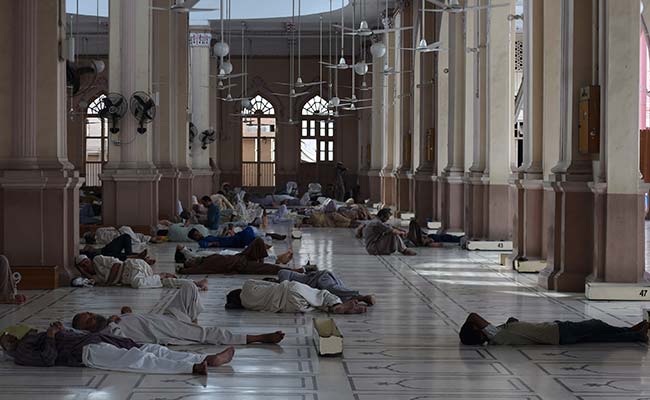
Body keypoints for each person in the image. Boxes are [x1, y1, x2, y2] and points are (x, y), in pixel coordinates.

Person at [72, 282, 286, 346]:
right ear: (88, 329)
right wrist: (115, 320)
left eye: (88, 312)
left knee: (188, 288)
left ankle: (193, 322)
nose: (92, 315)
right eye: (88, 319)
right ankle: (259, 338)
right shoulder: (110, 333)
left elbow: (129, 315)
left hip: (168, 317)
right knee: (210, 334)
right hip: (167, 330)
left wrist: (124, 313)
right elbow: (126, 337)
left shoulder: (112, 321)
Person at [0, 322, 234, 375]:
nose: (10, 337)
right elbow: (48, 359)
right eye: (6, 338)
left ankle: (207, 357)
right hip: (85, 353)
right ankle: (192, 367)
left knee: (152, 348)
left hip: (95, 340)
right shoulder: (22, 353)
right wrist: (51, 336)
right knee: (137, 358)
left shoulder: (33, 337)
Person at [459, 312, 649, 345]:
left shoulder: (498, 337)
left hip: (555, 334)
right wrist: (469, 327)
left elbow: (514, 323)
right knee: (596, 326)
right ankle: (633, 334)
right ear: (478, 331)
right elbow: (473, 315)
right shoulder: (495, 335)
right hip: (557, 332)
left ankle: (631, 332)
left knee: (597, 334)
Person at [225, 279, 368, 314]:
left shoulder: (247, 306)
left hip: (291, 307)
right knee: (321, 294)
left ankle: (336, 308)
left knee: (317, 305)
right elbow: (270, 282)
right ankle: (338, 305)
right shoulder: (248, 285)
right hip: (290, 290)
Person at [74, 253, 206, 290]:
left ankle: (161, 274)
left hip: (132, 267)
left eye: (85, 262)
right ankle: (196, 283)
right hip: (131, 276)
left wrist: (109, 283)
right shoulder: (95, 277)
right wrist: (84, 272)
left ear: (89, 260)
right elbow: (93, 281)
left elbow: (115, 266)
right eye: (82, 266)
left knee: (138, 283)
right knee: (165, 284)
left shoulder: (98, 259)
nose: (86, 265)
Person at [175, 238, 300, 276]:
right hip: (241, 265)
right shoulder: (204, 265)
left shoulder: (206, 257)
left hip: (242, 256)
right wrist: (183, 270)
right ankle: (291, 271)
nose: (192, 260)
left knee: (258, 241)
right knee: (267, 269)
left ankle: (270, 259)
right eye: (190, 261)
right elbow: (194, 271)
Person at [269, 270, 375, 305]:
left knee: (331, 288)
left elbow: (285, 287)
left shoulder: (282, 273)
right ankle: (358, 300)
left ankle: (361, 296)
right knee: (334, 296)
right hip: (317, 286)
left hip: (320, 278)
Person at [80, 233, 147, 262]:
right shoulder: (81, 258)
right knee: (114, 256)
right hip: (102, 256)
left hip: (104, 250)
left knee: (126, 236)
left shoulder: (80, 251)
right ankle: (137, 257)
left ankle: (135, 256)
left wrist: (87, 248)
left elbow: (87, 247)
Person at [188, 225, 260, 249]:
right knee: (245, 234)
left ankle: (256, 242)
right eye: (196, 235)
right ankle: (257, 243)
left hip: (229, 239)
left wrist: (225, 232)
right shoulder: (201, 242)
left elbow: (219, 237)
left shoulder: (207, 237)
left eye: (198, 233)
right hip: (230, 242)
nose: (199, 235)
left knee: (248, 229)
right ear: (194, 238)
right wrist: (212, 244)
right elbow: (205, 245)